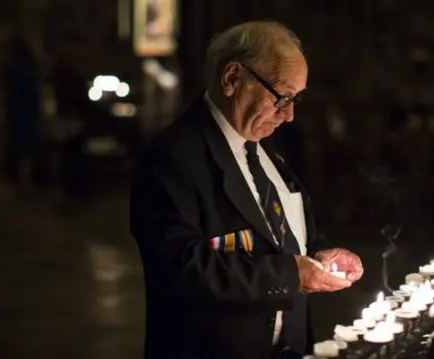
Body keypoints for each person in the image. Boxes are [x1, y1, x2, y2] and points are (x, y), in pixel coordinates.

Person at [130, 21, 364, 359]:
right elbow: (179, 268)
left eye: (296, 99)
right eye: (282, 97)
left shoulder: (264, 149)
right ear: (232, 79)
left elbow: (277, 231)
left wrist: (321, 254)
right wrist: (291, 274)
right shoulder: (172, 159)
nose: (289, 115)